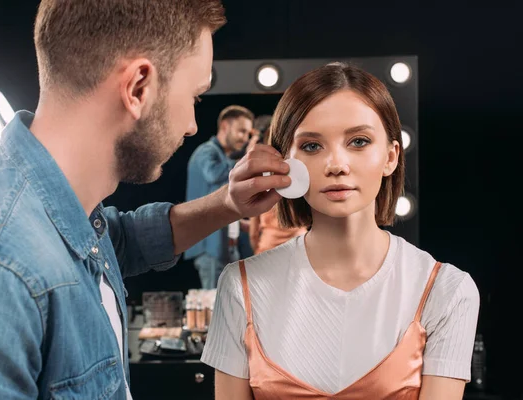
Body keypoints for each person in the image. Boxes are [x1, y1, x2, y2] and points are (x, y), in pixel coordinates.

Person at [0, 1, 293, 399]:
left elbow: (121, 241)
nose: (191, 125)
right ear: (138, 88)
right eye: (195, 98)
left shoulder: (48, 197)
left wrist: (228, 203)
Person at [201, 62, 480, 399]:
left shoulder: (447, 292)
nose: (337, 165)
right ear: (284, 163)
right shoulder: (241, 287)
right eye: (312, 146)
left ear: (391, 156)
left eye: (359, 141)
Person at [185, 105, 254, 289]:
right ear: (225, 126)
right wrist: (249, 159)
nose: (245, 138)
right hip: (211, 249)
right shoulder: (206, 152)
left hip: (228, 247)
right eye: (241, 131)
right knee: (215, 307)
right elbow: (214, 174)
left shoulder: (224, 158)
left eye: (248, 134)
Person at [248, 114, 309, 254]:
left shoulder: (259, 180)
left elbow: (253, 232)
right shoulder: (302, 176)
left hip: (267, 247)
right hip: (299, 246)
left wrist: (258, 248)